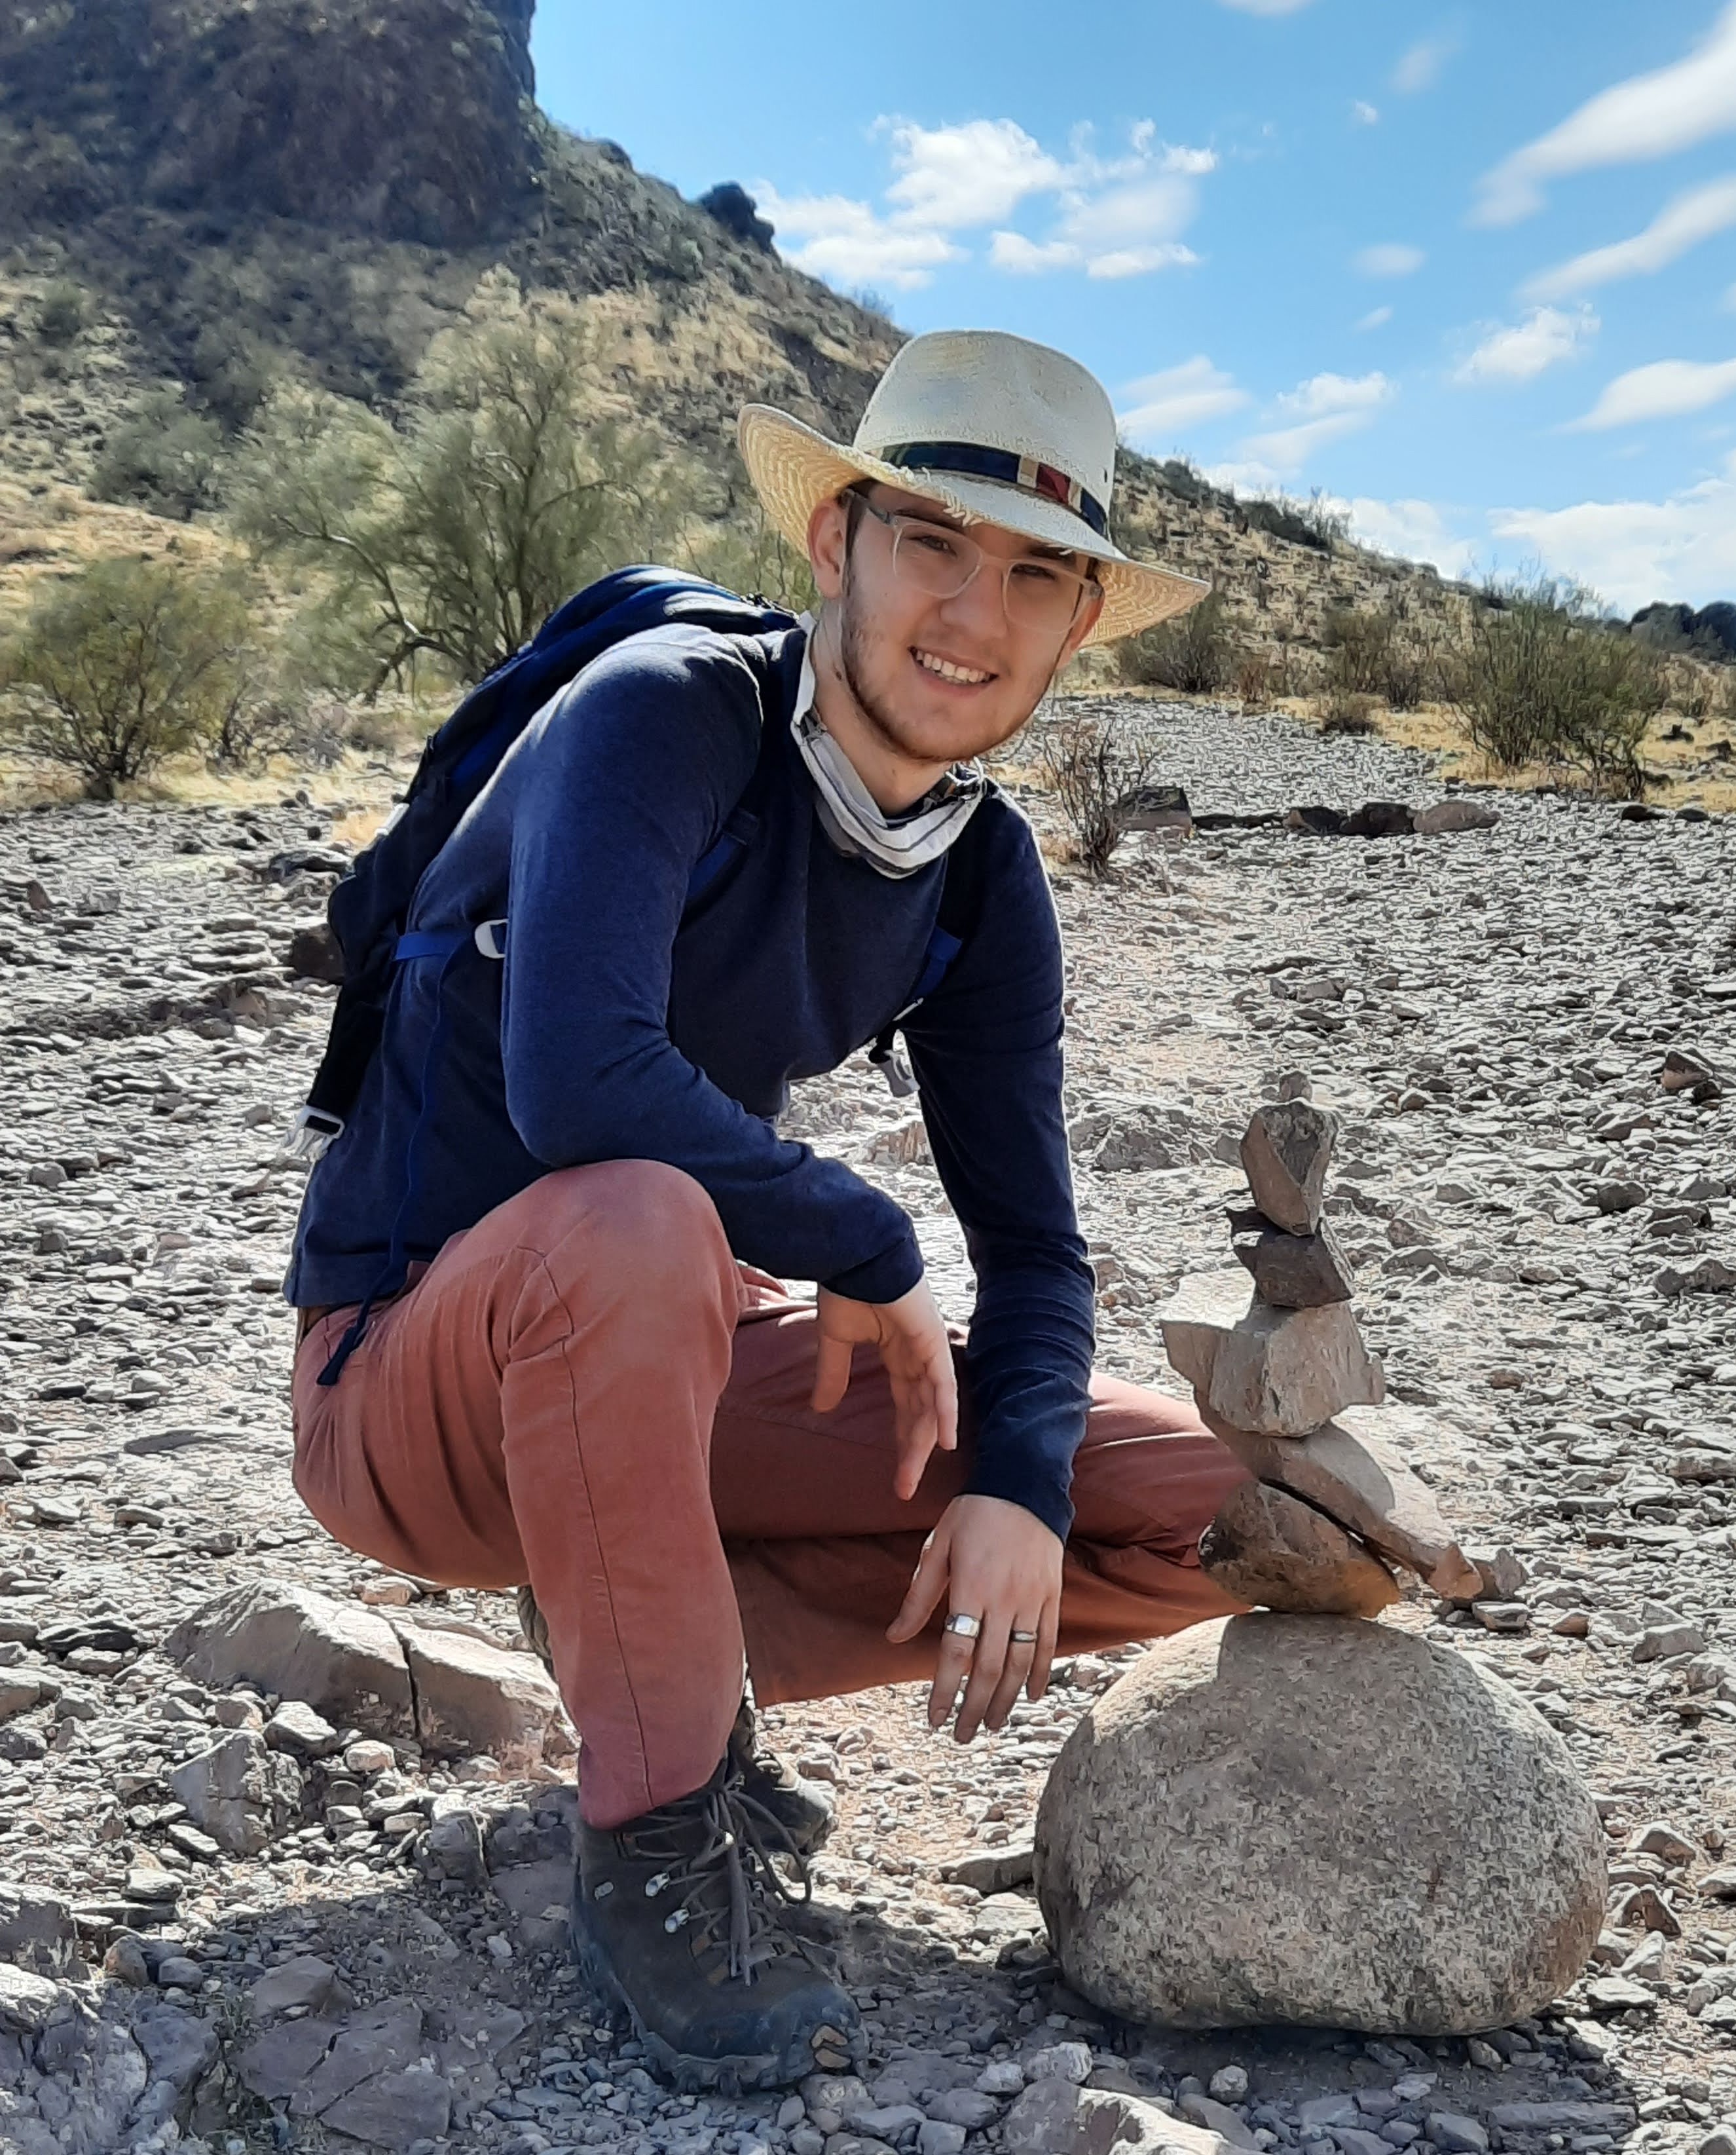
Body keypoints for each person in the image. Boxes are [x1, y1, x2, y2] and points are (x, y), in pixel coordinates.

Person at [286, 328, 1247, 2094]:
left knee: (1227, 1504)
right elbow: (583, 1079)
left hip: (665, 1374)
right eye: (932, 544)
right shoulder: (666, 714)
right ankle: (654, 1836)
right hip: (407, 1385)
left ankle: (641, 1631)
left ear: (1079, 627)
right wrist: (865, 1242)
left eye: (1033, 575)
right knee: (641, 1213)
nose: (972, 613)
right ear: (837, 546)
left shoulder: (976, 876)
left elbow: (1034, 1250)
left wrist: (1019, 1486)